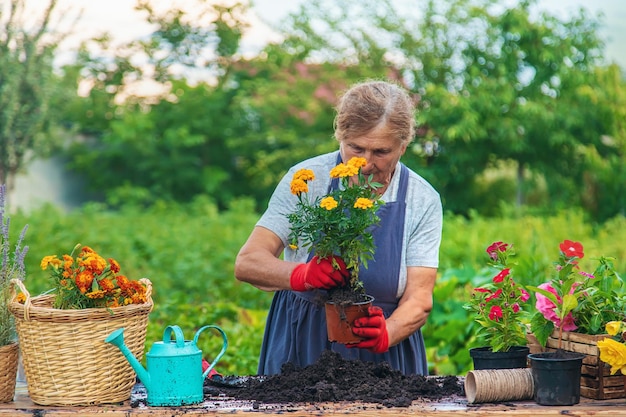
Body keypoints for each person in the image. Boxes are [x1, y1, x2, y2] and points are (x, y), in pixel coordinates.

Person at [234, 79, 443, 376]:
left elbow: (419, 298)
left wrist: (387, 331)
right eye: (355, 148)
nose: (365, 163)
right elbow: (248, 262)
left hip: (383, 356)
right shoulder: (307, 180)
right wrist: (301, 274)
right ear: (340, 137)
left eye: (381, 152)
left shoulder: (421, 199)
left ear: (403, 146)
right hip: (302, 342)